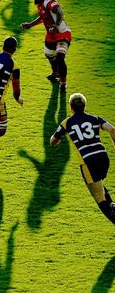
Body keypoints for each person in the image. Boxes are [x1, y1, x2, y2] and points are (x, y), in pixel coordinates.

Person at [51, 93, 115, 225]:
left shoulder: (67, 122)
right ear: (84, 106)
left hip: (88, 162)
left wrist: (60, 139)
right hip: (103, 158)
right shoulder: (95, 118)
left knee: (98, 197)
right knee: (99, 184)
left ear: (71, 107)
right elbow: (112, 129)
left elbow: (53, 140)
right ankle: (113, 205)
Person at [21, 0, 71, 92]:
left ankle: (63, 83)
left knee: (60, 57)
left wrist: (56, 25)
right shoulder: (41, 4)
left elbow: (60, 12)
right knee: (49, 55)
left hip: (62, 33)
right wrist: (30, 24)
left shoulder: (49, 1)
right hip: (51, 36)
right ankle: (56, 72)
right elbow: (42, 17)